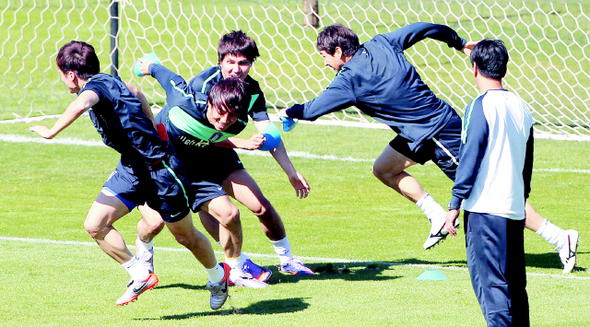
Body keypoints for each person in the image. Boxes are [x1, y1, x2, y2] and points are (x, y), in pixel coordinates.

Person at [279, 22, 578, 273]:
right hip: (416, 134)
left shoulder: (348, 81)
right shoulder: (383, 42)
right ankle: (434, 214)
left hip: (437, 133)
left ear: (339, 52)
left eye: (325, 57)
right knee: (383, 169)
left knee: (491, 192)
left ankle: (559, 237)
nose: (325, 64)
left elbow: (313, 109)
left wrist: (290, 112)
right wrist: (459, 42)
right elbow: (426, 29)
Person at [29, 41, 230, 310]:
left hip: (162, 171)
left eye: (60, 73)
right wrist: (155, 124)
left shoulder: (92, 90)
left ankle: (218, 277)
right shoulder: (112, 81)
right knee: (95, 225)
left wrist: (51, 131)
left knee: (185, 236)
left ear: (71, 74)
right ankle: (140, 274)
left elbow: (82, 104)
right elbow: (137, 92)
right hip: (131, 169)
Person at [134, 30, 314, 289]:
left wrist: (291, 172)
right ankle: (236, 263)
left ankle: (286, 261)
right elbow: (200, 131)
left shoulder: (251, 91)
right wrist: (151, 66)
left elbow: (269, 134)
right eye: (230, 62)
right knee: (160, 222)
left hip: (218, 152)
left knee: (260, 206)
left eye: (243, 63)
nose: (236, 69)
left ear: (251, 64)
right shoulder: (202, 88)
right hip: (178, 153)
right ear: (220, 61)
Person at [446, 39, 531, 326]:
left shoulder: (479, 107)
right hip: (514, 211)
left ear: (474, 69)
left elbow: (469, 157)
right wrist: (521, 198)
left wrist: (454, 203)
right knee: (516, 291)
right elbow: (526, 165)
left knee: (492, 292)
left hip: (484, 212)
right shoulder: (523, 107)